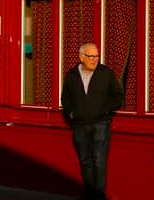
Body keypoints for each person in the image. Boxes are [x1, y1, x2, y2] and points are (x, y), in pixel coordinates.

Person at [61, 43, 125, 200]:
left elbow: (118, 96)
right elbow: (65, 98)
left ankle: (99, 195)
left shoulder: (106, 73)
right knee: (85, 160)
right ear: (81, 57)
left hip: (101, 124)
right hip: (80, 124)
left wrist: (104, 110)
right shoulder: (71, 75)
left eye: (96, 56)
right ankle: (89, 193)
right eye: (91, 56)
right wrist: (71, 113)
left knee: (99, 160)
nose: (95, 59)